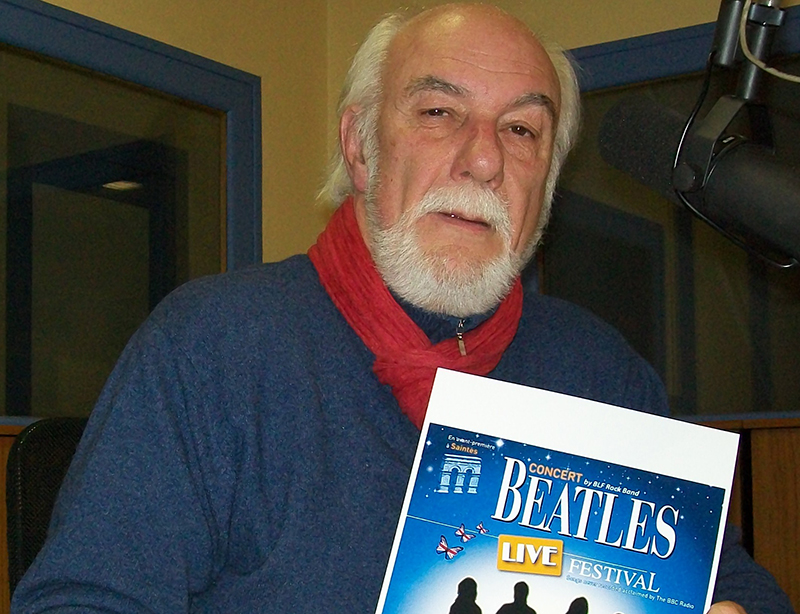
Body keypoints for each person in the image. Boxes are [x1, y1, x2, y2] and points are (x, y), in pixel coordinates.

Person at [10, 4, 795, 614]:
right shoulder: (213, 349)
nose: (483, 159)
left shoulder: (603, 375)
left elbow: (729, 583)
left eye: (522, 129)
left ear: (548, 186)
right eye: (438, 113)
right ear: (360, 146)